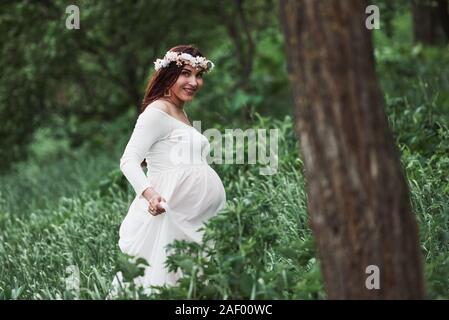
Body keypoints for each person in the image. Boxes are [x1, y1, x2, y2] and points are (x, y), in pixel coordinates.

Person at [110, 45, 226, 296]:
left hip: (195, 217)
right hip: (171, 214)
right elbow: (129, 160)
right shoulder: (156, 112)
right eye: (186, 73)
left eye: (199, 75)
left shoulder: (181, 113)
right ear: (168, 74)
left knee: (196, 284)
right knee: (167, 281)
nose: (194, 82)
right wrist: (150, 195)